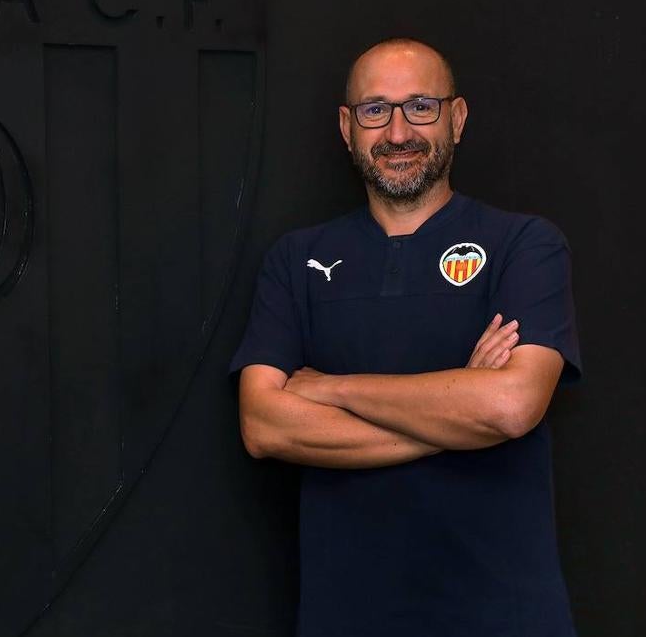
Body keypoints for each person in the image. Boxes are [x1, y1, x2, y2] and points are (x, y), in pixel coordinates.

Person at [229, 37, 582, 637]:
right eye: (375, 110)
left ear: (457, 117)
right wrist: (458, 410)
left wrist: (332, 389)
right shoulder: (297, 260)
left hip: (505, 614)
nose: (398, 132)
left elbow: (511, 405)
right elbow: (264, 426)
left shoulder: (525, 245)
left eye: (420, 106)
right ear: (347, 127)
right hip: (346, 616)